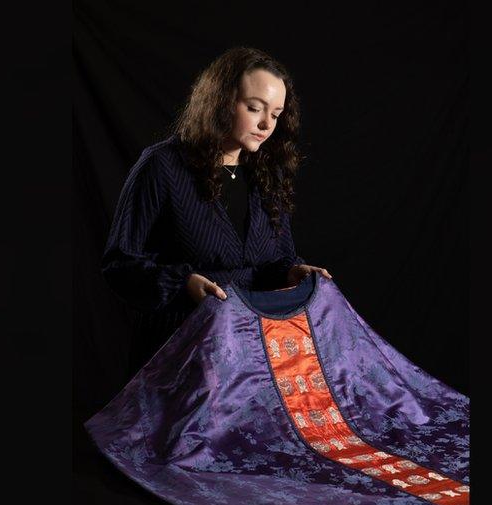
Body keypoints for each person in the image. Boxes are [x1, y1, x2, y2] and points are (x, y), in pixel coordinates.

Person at [101, 46, 332, 376]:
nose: (267, 123)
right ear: (222, 100)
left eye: (276, 114)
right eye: (255, 108)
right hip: (181, 356)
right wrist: (183, 285)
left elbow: (278, 259)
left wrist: (292, 272)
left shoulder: (268, 174)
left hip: (254, 358)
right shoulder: (162, 166)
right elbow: (118, 264)